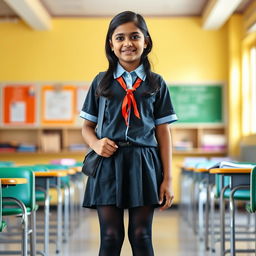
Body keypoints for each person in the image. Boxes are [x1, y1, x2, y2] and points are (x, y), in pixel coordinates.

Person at [80, 10, 178, 256]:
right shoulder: (100, 82)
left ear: (146, 42)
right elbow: (86, 127)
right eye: (120, 38)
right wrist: (95, 144)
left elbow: (163, 132)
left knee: (141, 235)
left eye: (134, 37)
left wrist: (168, 178)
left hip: (144, 164)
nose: (127, 43)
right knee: (111, 237)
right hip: (108, 164)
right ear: (111, 45)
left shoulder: (156, 83)